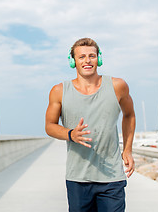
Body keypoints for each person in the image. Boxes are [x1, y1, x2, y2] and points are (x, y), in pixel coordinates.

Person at [45, 38, 135, 212]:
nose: (87, 61)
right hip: (78, 179)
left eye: (92, 56)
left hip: (112, 178)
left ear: (99, 59)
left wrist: (128, 150)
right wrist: (70, 134)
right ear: (73, 61)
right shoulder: (59, 91)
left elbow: (129, 115)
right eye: (82, 57)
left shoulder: (118, 86)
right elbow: (49, 125)